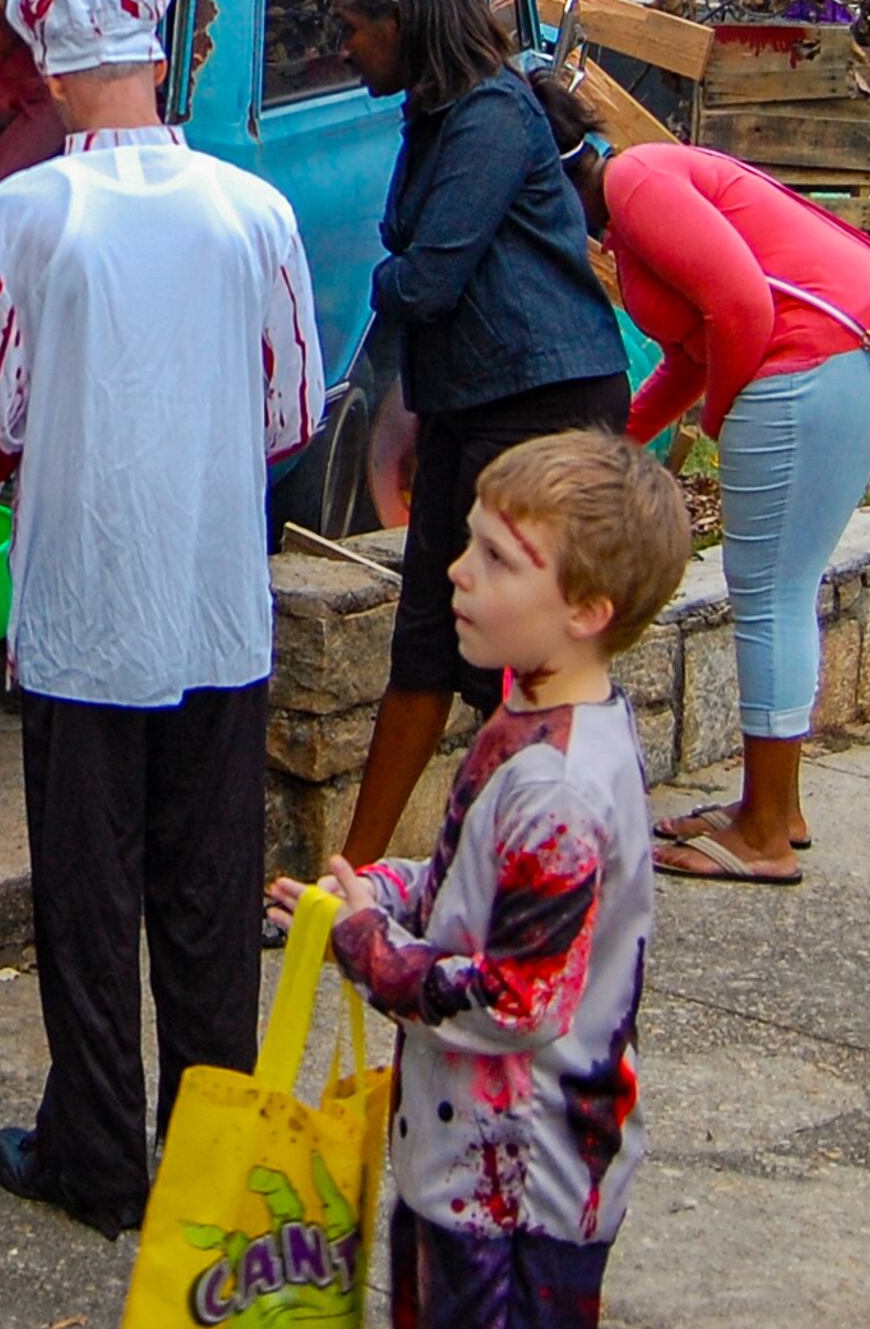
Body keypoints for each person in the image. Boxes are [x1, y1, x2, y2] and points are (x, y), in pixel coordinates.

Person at [0, 0, 322, 1237]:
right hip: (218, 594)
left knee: (87, 889)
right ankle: (211, 1158)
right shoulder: (253, 211)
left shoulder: (15, 220)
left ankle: (95, 1153)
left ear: (45, 63)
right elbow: (289, 411)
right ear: (161, 51)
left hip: (82, 599)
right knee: (212, 885)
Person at [274, 428, 689, 1329]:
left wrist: (369, 948)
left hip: (516, 1193)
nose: (459, 571)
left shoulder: (560, 792)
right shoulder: (534, 713)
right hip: (467, 1160)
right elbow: (476, 885)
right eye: (469, 542)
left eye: (499, 560)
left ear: (586, 608)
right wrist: (385, 890)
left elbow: (516, 1001)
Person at [532, 79, 870, 887]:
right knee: (780, 586)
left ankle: (765, 832)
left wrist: (718, 420)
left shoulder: (634, 183)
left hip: (816, 360)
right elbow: (695, 349)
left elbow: (742, 309)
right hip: (846, 355)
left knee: (768, 588)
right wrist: (615, 445)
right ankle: (773, 806)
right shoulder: (637, 197)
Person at [328, 0, 630, 874]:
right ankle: (361, 869)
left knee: (527, 634)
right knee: (428, 632)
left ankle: (545, 849)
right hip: (478, 398)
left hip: (543, 400)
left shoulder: (490, 116)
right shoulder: (438, 113)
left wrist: (384, 282)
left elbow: (428, 280)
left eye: (352, 29)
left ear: (403, 24)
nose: (344, 48)